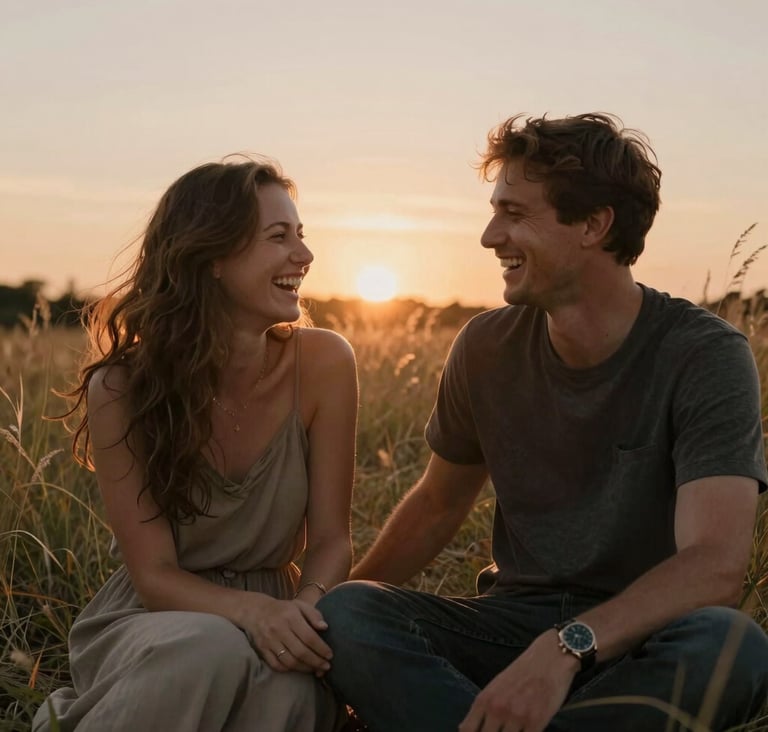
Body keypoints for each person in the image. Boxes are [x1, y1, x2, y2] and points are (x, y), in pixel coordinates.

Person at [316, 113, 768, 731]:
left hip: (640, 638)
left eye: (514, 213)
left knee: (731, 644)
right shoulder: (484, 346)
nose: (488, 235)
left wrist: (566, 648)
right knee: (351, 615)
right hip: (507, 628)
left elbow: (715, 564)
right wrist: (316, 622)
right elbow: (436, 506)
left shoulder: (704, 355)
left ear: (593, 224)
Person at [33, 156, 358, 732]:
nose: (304, 256)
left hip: (282, 610)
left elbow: (332, 540)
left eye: (302, 236)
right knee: (211, 649)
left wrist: (304, 610)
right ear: (212, 256)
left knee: (292, 695)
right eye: (278, 237)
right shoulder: (122, 387)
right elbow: (154, 573)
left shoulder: (326, 363)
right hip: (162, 616)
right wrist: (250, 615)